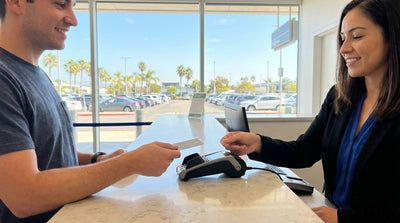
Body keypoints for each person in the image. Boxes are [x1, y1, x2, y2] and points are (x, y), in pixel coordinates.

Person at [0, 0, 181, 222]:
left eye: (73, 6)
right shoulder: (3, 79)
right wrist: (128, 164)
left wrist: (97, 160)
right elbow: (24, 196)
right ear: (16, 2)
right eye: (60, 5)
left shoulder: (35, 74)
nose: (73, 20)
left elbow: (46, 152)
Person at [220, 0, 400, 222]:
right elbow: (304, 151)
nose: (344, 49)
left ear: (392, 37)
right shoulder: (339, 97)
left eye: (357, 36)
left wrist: (343, 218)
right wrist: (257, 143)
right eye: (343, 38)